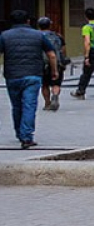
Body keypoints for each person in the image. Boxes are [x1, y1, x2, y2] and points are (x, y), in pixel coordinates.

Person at [0, 10, 57, 149]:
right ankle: (26, 136)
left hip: (12, 75)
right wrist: (54, 71)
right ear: (28, 21)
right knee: (29, 105)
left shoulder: (4, 35)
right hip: (33, 75)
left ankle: (19, 133)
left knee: (16, 106)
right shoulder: (38, 35)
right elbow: (51, 54)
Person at [36, 17, 68, 112]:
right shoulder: (58, 36)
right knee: (56, 83)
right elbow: (63, 50)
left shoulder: (36, 36)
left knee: (44, 84)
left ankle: (47, 103)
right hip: (57, 62)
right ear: (50, 25)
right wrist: (62, 61)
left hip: (42, 64)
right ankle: (55, 95)